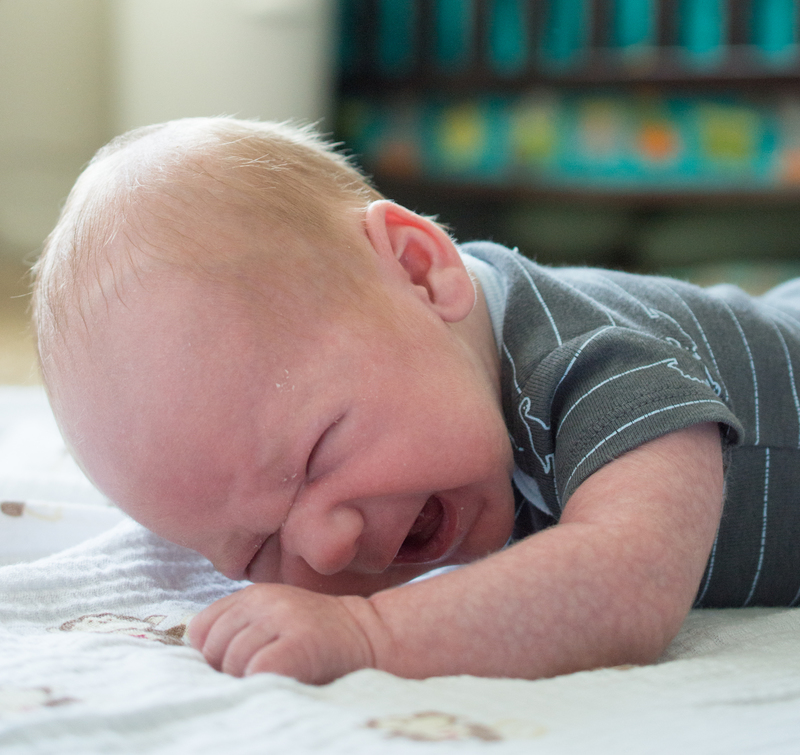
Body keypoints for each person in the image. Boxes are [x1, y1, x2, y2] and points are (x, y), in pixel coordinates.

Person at [32, 117, 800, 686]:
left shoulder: (590, 359)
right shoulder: (439, 393)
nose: (326, 545)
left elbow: (626, 582)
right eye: (256, 551)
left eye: (317, 454)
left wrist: (370, 633)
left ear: (421, 272)